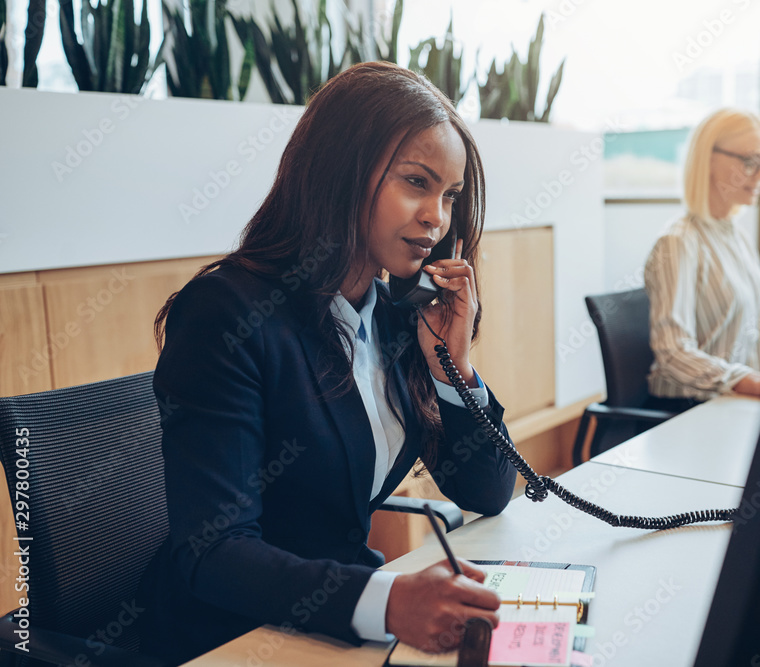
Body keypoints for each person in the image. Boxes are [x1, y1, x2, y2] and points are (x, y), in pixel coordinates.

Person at [136, 62, 517, 664]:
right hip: (228, 639)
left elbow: (489, 490)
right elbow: (213, 552)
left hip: (335, 632)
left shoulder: (396, 314)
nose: (437, 218)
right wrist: (387, 601)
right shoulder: (226, 314)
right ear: (340, 173)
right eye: (416, 183)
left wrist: (453, 368)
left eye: (448, 196)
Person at [644, 108, 760, 412]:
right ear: (709, 158)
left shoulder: (735, 235)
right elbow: (673, 352)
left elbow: (752, 331)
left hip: (737, 401)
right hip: (692, 410)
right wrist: (751, 382)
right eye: (750, 162)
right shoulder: (678, 242)